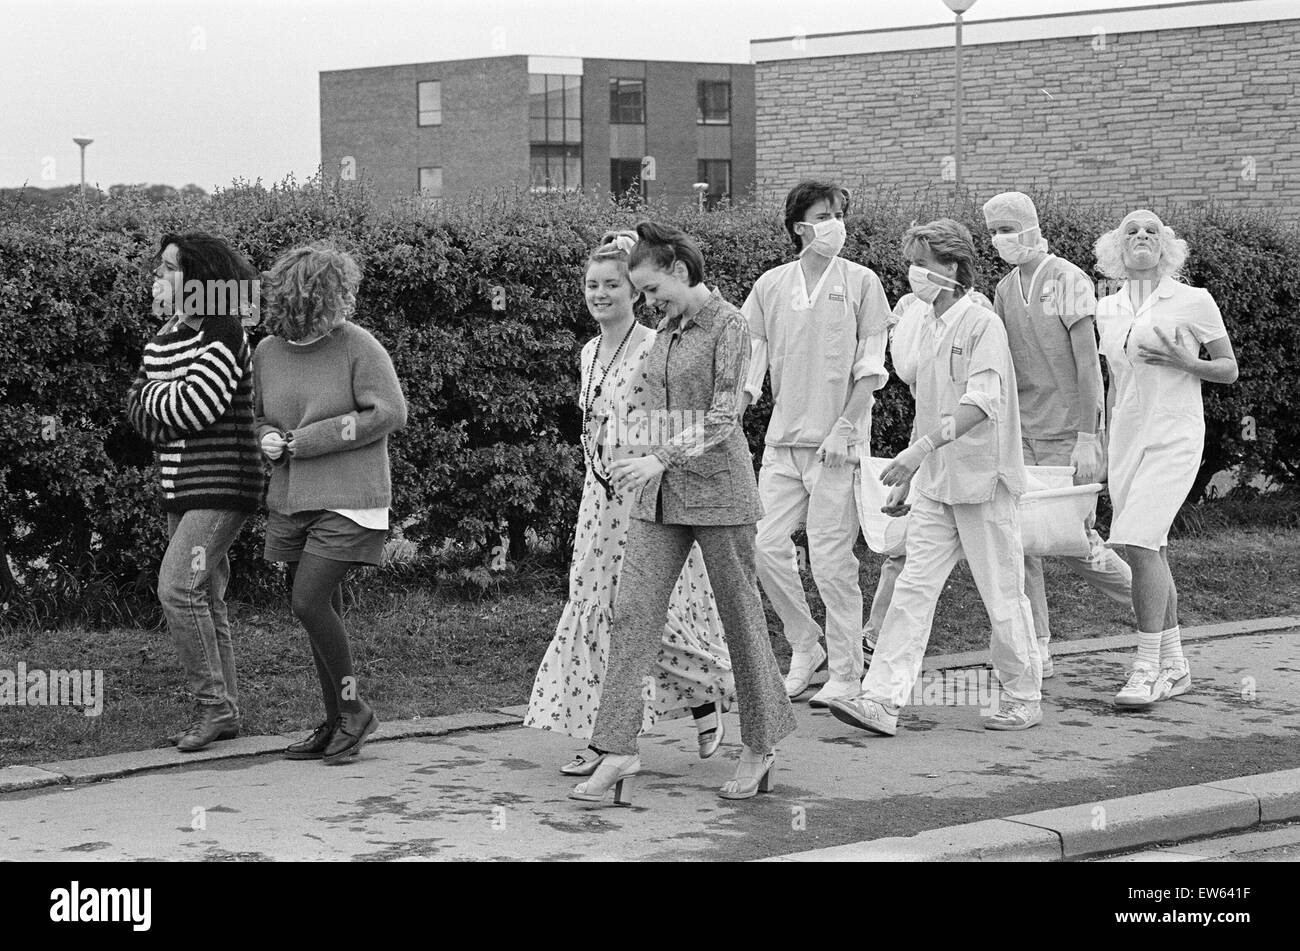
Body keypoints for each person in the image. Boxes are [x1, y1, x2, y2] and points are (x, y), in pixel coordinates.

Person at [570, 221, 797, 806]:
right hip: (659, 497)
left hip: (719, 494)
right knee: (632, 617)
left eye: (650, 289)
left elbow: (726, 416)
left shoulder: (731, 326)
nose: (647, 303)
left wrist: (659, 456)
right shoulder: (665, 331)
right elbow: (652, 408)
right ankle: (617, 749)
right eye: (640, 294)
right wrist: (622, 446)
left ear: (677, 269)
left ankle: (761, 745)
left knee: (741, 618)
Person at [525, 231, 737, 770]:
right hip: (599, 498)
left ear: (634, 291)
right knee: (594, 609)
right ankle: (609, 740)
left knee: (646, 614)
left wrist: (653, 462)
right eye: (592, 285)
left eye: (613, 284)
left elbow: (684, 416)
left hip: (646, 494)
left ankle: (715, 687)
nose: (601, 294)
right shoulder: (589, 352)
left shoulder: (654, 343)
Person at [828, 219, 1043, 736]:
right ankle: (881, 699)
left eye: (926, 263)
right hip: (935, 484)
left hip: (983, 482)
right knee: (913, 589)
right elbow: (931, 406)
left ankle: (1022, 693)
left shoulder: (980, 323)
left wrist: (917, 450)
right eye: (914, 262)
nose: (915, 272)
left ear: (954, 268)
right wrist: (914, 472)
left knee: (1001, 591)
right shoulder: (926, 323)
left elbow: (981, 403)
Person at [254, 244, 408, 763]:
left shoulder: (358, 345)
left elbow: (388, 413)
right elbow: (259, 418)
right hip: (293, 498)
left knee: (307, 601)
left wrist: (307, 440)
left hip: (350, 498)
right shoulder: (267, 353)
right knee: (323, 607)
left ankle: (354, 712)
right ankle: (335, 719)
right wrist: (267, 437)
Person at [741, 181, 891, 706]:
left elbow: (871, 367)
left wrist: (847, 427)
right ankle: (806, 645)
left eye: (840, 213)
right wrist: (729, 417)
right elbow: (749, 366)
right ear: (799, 226)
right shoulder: (770, 286)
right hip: (784, 443)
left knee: (831, 562)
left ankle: (848, 673)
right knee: (763, 547)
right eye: (825, 215)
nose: (836, 223)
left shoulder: (863, 283)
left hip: (838, 446)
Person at [981, 192, 1134, 677]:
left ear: (1031, 225)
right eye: (993, 230)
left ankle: (1157, 613)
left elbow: (1089, 363)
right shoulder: (1005, 289)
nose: (1001, 238)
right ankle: (1037, 645)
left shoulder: (1067, 278)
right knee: (1019, 540)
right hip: (1023, 431)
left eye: (1008, 228)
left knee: (1076, 541)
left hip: (1070, 430)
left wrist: (1089, 437)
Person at [1093, 210, 1237, 707]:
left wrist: (1187, 362)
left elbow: (1229, 368)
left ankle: (1146, 667)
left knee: (1136, 540)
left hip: (1175, 436)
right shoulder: (1106, 309)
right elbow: (1114, 382)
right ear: (1116, 248)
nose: (1141, 236)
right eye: (1131, 230)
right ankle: (1175, 665)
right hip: (1127, 439)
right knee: (1147, 548)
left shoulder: (1193, 300)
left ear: (1166, 247)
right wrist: (1103, 441)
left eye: (1152, 230)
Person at [125, 232, 263, 752]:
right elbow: (139, 409)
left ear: (200, 280)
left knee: (177, 588)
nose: (157, 277)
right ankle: (225, 710)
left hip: (222, 482)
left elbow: (194, 409)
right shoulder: (168, 333)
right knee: (206, 595)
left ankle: (213, 708)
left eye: (167, 268)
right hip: (181, 484)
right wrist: (165, 404)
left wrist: (161, 404)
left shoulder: (225, 331)